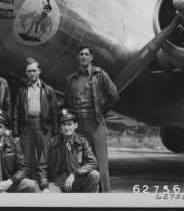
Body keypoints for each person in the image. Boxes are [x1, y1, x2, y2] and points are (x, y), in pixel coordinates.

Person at [64, 45, 119, 192]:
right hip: (78, 124)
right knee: (79, 160)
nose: (83, 56)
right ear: (77, 57)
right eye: (81, 54)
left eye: (86, 54)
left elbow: (113, 95)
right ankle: (83, 193)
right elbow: (67, 102)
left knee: (101, 162)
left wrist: (101, 111)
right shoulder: (72, 79)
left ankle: (105, 195)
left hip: (95, 122)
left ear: (91, 57)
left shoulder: (100, 75)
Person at [12, 58, 59, 178]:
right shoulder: (22, 90)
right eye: (29, 71)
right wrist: (16, 133)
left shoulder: (48, 90)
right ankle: (30, 183)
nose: (31, 73)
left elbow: (54, 112)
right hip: (26, 125)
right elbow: (16, 112)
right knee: (27, 157)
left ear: (39, 71)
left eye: (34, 70)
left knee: (45, 155)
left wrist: (55, 132)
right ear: (26, 73)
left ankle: (46, 183)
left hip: (43, 125)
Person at [37, 109, 100, 193]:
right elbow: (42, 166)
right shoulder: (52, 142)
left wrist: (74, 174)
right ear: (61, 127)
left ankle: (86, 203)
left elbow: (93, 162)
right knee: (49, 198)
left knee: (94, 174)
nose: (67, 128)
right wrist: (44, 187)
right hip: (57, 183)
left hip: (76, 180)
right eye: (64, 125)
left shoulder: (82, 141)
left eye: (69, 124)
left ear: (75, 125)